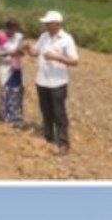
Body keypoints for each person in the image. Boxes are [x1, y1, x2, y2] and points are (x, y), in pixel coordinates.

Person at [27, 10, 79, 154]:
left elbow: (75, 61)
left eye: (48, 23)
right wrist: (29, 48)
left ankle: (63, 142)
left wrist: (57, 57)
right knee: (45, 110)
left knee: (59, 113)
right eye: (46, 23)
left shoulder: (67, 39)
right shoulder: (44, 36)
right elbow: (35, 53)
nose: (46, 25)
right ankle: (48, 136)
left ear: (56, 24)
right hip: (42, 80)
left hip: (58, 82)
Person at [0, 18, 25, 126]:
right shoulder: (1, 37)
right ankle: (5, 114)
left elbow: (21, 51)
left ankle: (15, 115)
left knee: (16, 91)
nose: (13, 32)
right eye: (11, 29)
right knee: (6, 90)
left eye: (15, 29)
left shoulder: (19, 37)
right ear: (7, 28)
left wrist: (19, 52)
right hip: (4, 67)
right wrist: (9, 53)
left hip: (15, 66)